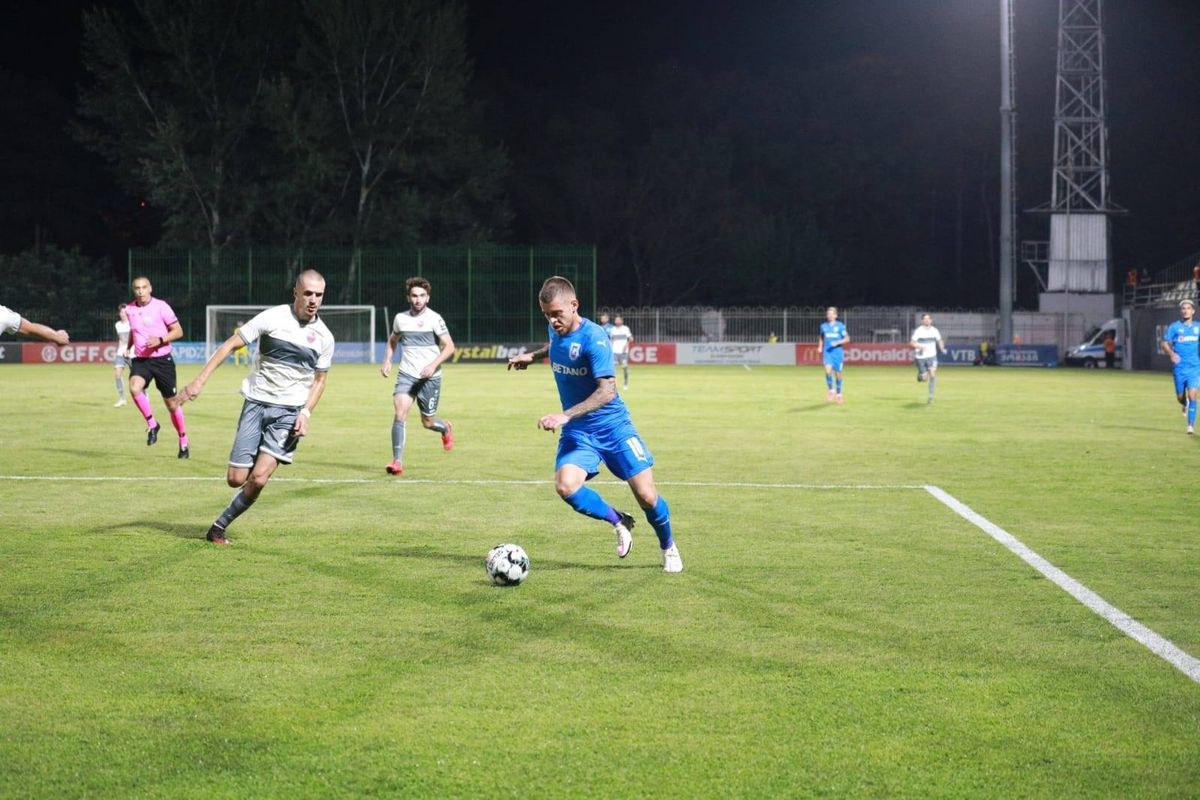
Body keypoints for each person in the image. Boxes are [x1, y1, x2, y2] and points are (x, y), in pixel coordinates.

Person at [507, 276, 682, 573]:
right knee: (566, 486)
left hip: (614, 428)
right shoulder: (555, 329)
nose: (552, 320)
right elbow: (556, 345)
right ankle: (619, 520)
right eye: (546, 315)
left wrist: (565, 415)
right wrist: (532, 356)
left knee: (647, 496)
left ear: (574, 306)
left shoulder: (595, 338)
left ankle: (668, 546)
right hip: (580, 432)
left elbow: (607, 391)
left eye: (557, 314)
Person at [180, 269, 335, 544]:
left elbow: (320, 380)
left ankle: (218, 527)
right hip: (256, 403)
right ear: (296, 292)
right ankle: (253, 464)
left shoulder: (324, 337)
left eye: (319, 295)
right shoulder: (272, 317)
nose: (313, 300)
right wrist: (198, 381)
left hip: (289, 414)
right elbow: (229, 345)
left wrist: (306, 412)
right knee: (236, 478)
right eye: (308, 293)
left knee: (259, 479)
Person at [380, 277, 456, 476]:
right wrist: (387, 360)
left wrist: (432, 365)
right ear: (408, 298)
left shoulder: (435, 319)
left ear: (428, 298)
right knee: (400, 412)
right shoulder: (400, 319)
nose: (418, 300)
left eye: (422, 296)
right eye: (414, 296)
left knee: (427, 422)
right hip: (407, 374)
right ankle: (397, 461)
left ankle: (445, 428)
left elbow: (450, 347)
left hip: (429, 378)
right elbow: (392, 341)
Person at [124, 276, 190, 457]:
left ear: (150, 288)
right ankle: (152, 423)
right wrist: (128, 347)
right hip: (141, 360)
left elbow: (178, 331)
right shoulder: (130, 309)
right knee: (134, 387)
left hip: (162, 361)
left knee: (172, 405)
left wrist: (160, 340)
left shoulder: (161, 306)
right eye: (137, 288)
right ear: (134, 290)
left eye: (144, 287)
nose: (140, 291)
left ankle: (183, 441)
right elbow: (133, 331)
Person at [1162, 299, 1200, 434]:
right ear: (1181, 311)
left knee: (1193, 396)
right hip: (1179, 368)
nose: (1185, 310)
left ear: (1193, 311)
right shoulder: (1175, 327)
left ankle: (1190, 426)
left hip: (1195, 367)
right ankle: (1184, 404)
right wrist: (1172, 354)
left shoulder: (1198, 327)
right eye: (1183, 308)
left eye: (1188, 308)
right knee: (1180, 396)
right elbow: (1165, 343)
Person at [909, 313, 948, 404]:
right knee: (924, 379)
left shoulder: (935, 330)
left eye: (928, 319)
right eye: (925, 319)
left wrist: (942, 348)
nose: (927, 320)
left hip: (932, 356)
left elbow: (940, 340)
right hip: (921, 357)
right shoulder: (918, 331)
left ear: (931, 320)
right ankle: (920, 376)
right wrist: (920, 347)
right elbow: (911, 343)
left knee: (933, 374)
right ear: (922, 321)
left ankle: (930, 397)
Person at [818, 306, 849, 403]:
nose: (830, 315)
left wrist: (837, 342)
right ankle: (831, 390)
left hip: (837, 353)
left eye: (832, 314)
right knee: (827, 371)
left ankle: (839, 394)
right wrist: (820, 346)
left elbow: (847, 339)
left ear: (835, 315)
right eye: (828, 314)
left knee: (838, 374)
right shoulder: (823, 326)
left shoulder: (840, 326)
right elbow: (821, 336)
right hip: (827, 352)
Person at [0, 304, 69, 344]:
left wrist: (57, 337)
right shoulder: (3, 314)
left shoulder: (3, 314)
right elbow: (31, 328)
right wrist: (57, 337)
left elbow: (30, 329)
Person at [609, 314, 633, 389]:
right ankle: (613, 384)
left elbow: (631, 338)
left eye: (619, 320)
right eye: (616, 320)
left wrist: (626, 345)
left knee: (624, 367)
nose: (617, 321)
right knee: (613, 368)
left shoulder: (625, 328)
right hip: (614, 351)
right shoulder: (612, 329)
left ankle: (626, 383)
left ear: (622, 321)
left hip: (623, 351)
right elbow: (611, 340)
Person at [113, 304, 130, 407]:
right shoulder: (117, 325)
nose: (123, 314)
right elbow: (121, 340)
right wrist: (119, 350)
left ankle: (144, 395)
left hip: (132, 353)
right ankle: (122, 399)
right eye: (121, 312)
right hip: (121, 352)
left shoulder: (132, 323)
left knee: (137, 376)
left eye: (125, 312)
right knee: (117, 374)